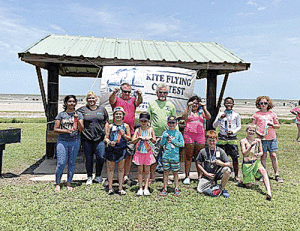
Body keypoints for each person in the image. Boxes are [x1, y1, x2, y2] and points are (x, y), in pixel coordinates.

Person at [109, 83, 143, 185]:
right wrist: (113, 93)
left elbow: (139, 102)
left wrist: (140, 95)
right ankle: (115, 176)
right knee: (115, 154)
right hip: (116, 132)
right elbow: (111, 100)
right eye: (124, 91)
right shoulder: (117, 99)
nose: (127, 93)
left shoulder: (132, 100)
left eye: (128, 92)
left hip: (130, 132)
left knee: (128, 155)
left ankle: (125, 176)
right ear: (121, 91)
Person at [77, 91, 109, 185]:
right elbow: (74, 116)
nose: (91, 100)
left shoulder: (102, 110)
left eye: (93, 98)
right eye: (89, 98)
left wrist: (106, 135)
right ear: (87, 100)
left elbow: (106, 122)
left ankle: (98, 176)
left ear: (96, 99)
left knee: (101, 156)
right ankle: (89, 177)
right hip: (87, 138)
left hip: (99, 138)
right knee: (89, 158)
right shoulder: (82, 110)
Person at [54, 95, 84, 192]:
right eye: (69, 101)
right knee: (61, 163)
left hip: (74, 141)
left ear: (75, 103)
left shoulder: (79, 114)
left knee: (72, 162)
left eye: (73, 101)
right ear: (66, 103)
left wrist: (77, 119)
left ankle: (69, 182)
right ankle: (57, 183)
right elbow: (55, 129)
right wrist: (65, 131)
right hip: (62, 141)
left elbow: (81, 129)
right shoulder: (61, 115)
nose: (71, 103)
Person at [147, 82, 177, 181]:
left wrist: (175, 135)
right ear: (157, 93)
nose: (162, 94)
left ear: (167, 93)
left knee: (166, 159)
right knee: (153, 157)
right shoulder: (152, 104)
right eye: (160, 92)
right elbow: (148, 120)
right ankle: (152, 177)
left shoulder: (171, 105)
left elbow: (174, 121)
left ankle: (166, 178)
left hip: (167, 136)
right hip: (154, 136)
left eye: (164, 93)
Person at [252, 96, 283, 183]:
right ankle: (263, 174)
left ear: (268, 104)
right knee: (263, 156)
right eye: (261, 103)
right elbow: (252, 126)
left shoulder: (272, 114)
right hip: (261, 139)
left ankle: (277, 174)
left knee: (273, 155)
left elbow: (278, 125)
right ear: (258, 104)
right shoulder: (256, 114)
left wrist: (272, 125)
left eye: (265, 103)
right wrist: (258, 134)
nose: (263, 105)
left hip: (272, 138)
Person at [182, 95, 211, 185]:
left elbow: (209, 117)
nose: (195, 105)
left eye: (196, 103)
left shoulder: (201, 112)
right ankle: (187, 176)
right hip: (189, 135)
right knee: (188, 156)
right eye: (193, 103)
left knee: (199, 156)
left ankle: (200, 176)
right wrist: (188, 106)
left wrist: (204, 107)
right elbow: (184, 117)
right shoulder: (189, 110)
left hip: (200, 135)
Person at [213, 97, 241, 182]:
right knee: (219, 156)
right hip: (222, 137)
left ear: (233, 104)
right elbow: (214, 125)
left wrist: (232, 131)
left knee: (235, 157)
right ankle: (218, 174)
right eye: (227, 103)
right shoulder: (220, 113)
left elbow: (239, 126)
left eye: (230, 103)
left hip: (232, 138)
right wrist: (220, 118)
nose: (228, 104)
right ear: (224, 104)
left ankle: (236, 176)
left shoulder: (236, 115)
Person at [104, 107, 131, 195]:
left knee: (121, 169)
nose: (118, 115)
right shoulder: (110, 126)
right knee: (111, 169)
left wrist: (124, 135)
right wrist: (109, 142)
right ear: (114, 115)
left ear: (123, 115)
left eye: (120, 114)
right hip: (111, 150)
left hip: (122, 149)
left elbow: (129, 138)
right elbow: (106, 137)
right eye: (117, 114)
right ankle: (110, 188)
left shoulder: (126, 126)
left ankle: (120, 187)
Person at [240, 124, 272, 200]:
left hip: (255, 162)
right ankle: (246, 181)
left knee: (263, 171)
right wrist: (251, 146)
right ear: (246, 131)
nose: (251, 132)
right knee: (248, 185)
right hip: (247, 164)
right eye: (250, 130)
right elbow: (244, 153)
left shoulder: (258, 141)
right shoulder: (243, 141)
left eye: (253, 131)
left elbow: (261, 152)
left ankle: (268, 191)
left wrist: (259, 154)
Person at [196, 130, 231, 197]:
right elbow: (198, 163)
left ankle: (222, 189)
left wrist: (222, 164)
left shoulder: (220, 151)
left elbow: (229, 164)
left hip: (218, 173)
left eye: (213, 141)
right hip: (207, 175)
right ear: (206, 140)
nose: (212, 142)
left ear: (217, 140)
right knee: (199, 190)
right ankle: (214, 186)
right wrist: (206, 173)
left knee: (227, 170)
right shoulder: (203, 151)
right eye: (210, 140)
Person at [132, 112, 156, 196]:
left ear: (148, 121)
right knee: (139, 171)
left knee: (147, 171)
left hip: (148, 153)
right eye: (142, 121)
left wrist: (150, 138)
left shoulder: (151, 130)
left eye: (145, 121)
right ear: (139, 121)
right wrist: (138, 138)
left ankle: (146, 187)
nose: (143, 123)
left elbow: (154, 140)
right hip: (139, 152)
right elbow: (133, 140)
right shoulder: (137, 130)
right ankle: (140, 187)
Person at [159, 115, 184, 196]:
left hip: (175, 156)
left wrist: (173, 141)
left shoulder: (178, 133)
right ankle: (165, 188)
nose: (171, 124)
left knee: (175, 173)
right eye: (170, 123)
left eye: (173, 123)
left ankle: (176, 188)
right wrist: (164, 138)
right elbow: (161, 144)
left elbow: (182, 144)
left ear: (176, 123)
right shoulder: (165, 132)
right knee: (165, 172)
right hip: (166, 156)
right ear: (167, 123)